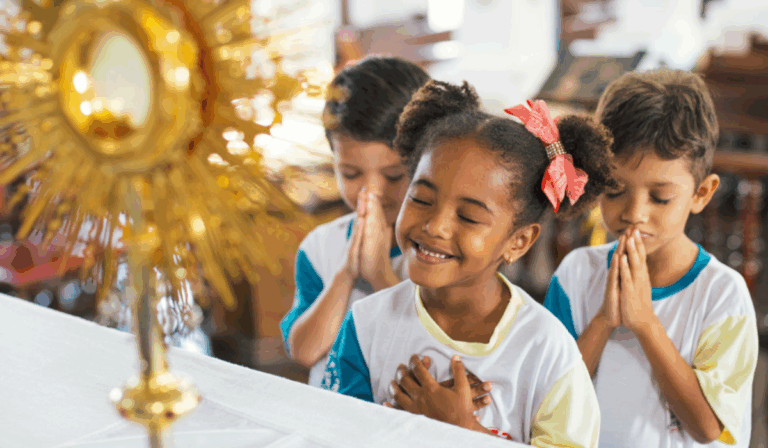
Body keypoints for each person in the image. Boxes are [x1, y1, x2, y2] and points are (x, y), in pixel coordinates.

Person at [323, 80, 616, 446]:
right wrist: (403, 423)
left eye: (469, 217)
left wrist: (465, 431)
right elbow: (331, 432)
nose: (435, 226)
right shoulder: (366, 326)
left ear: (518, 241)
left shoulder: (545, 350)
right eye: (422, 199)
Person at [544, 69, 759, 447]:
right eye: (615, 190)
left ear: (701, 194)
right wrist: (603, 321)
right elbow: (548, 399)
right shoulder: (575, 275)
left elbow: (710, 428)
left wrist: (645, 322)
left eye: (660, 197)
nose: (635, 213)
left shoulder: (724, 295)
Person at [279, 56, 430, 388]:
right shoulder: (321, 247)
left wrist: (379, 275)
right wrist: (346, 273)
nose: (371, 192)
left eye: (394, 175)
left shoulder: (438, 248)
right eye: (350, 173)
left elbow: (434, 353)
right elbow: (305, 351)